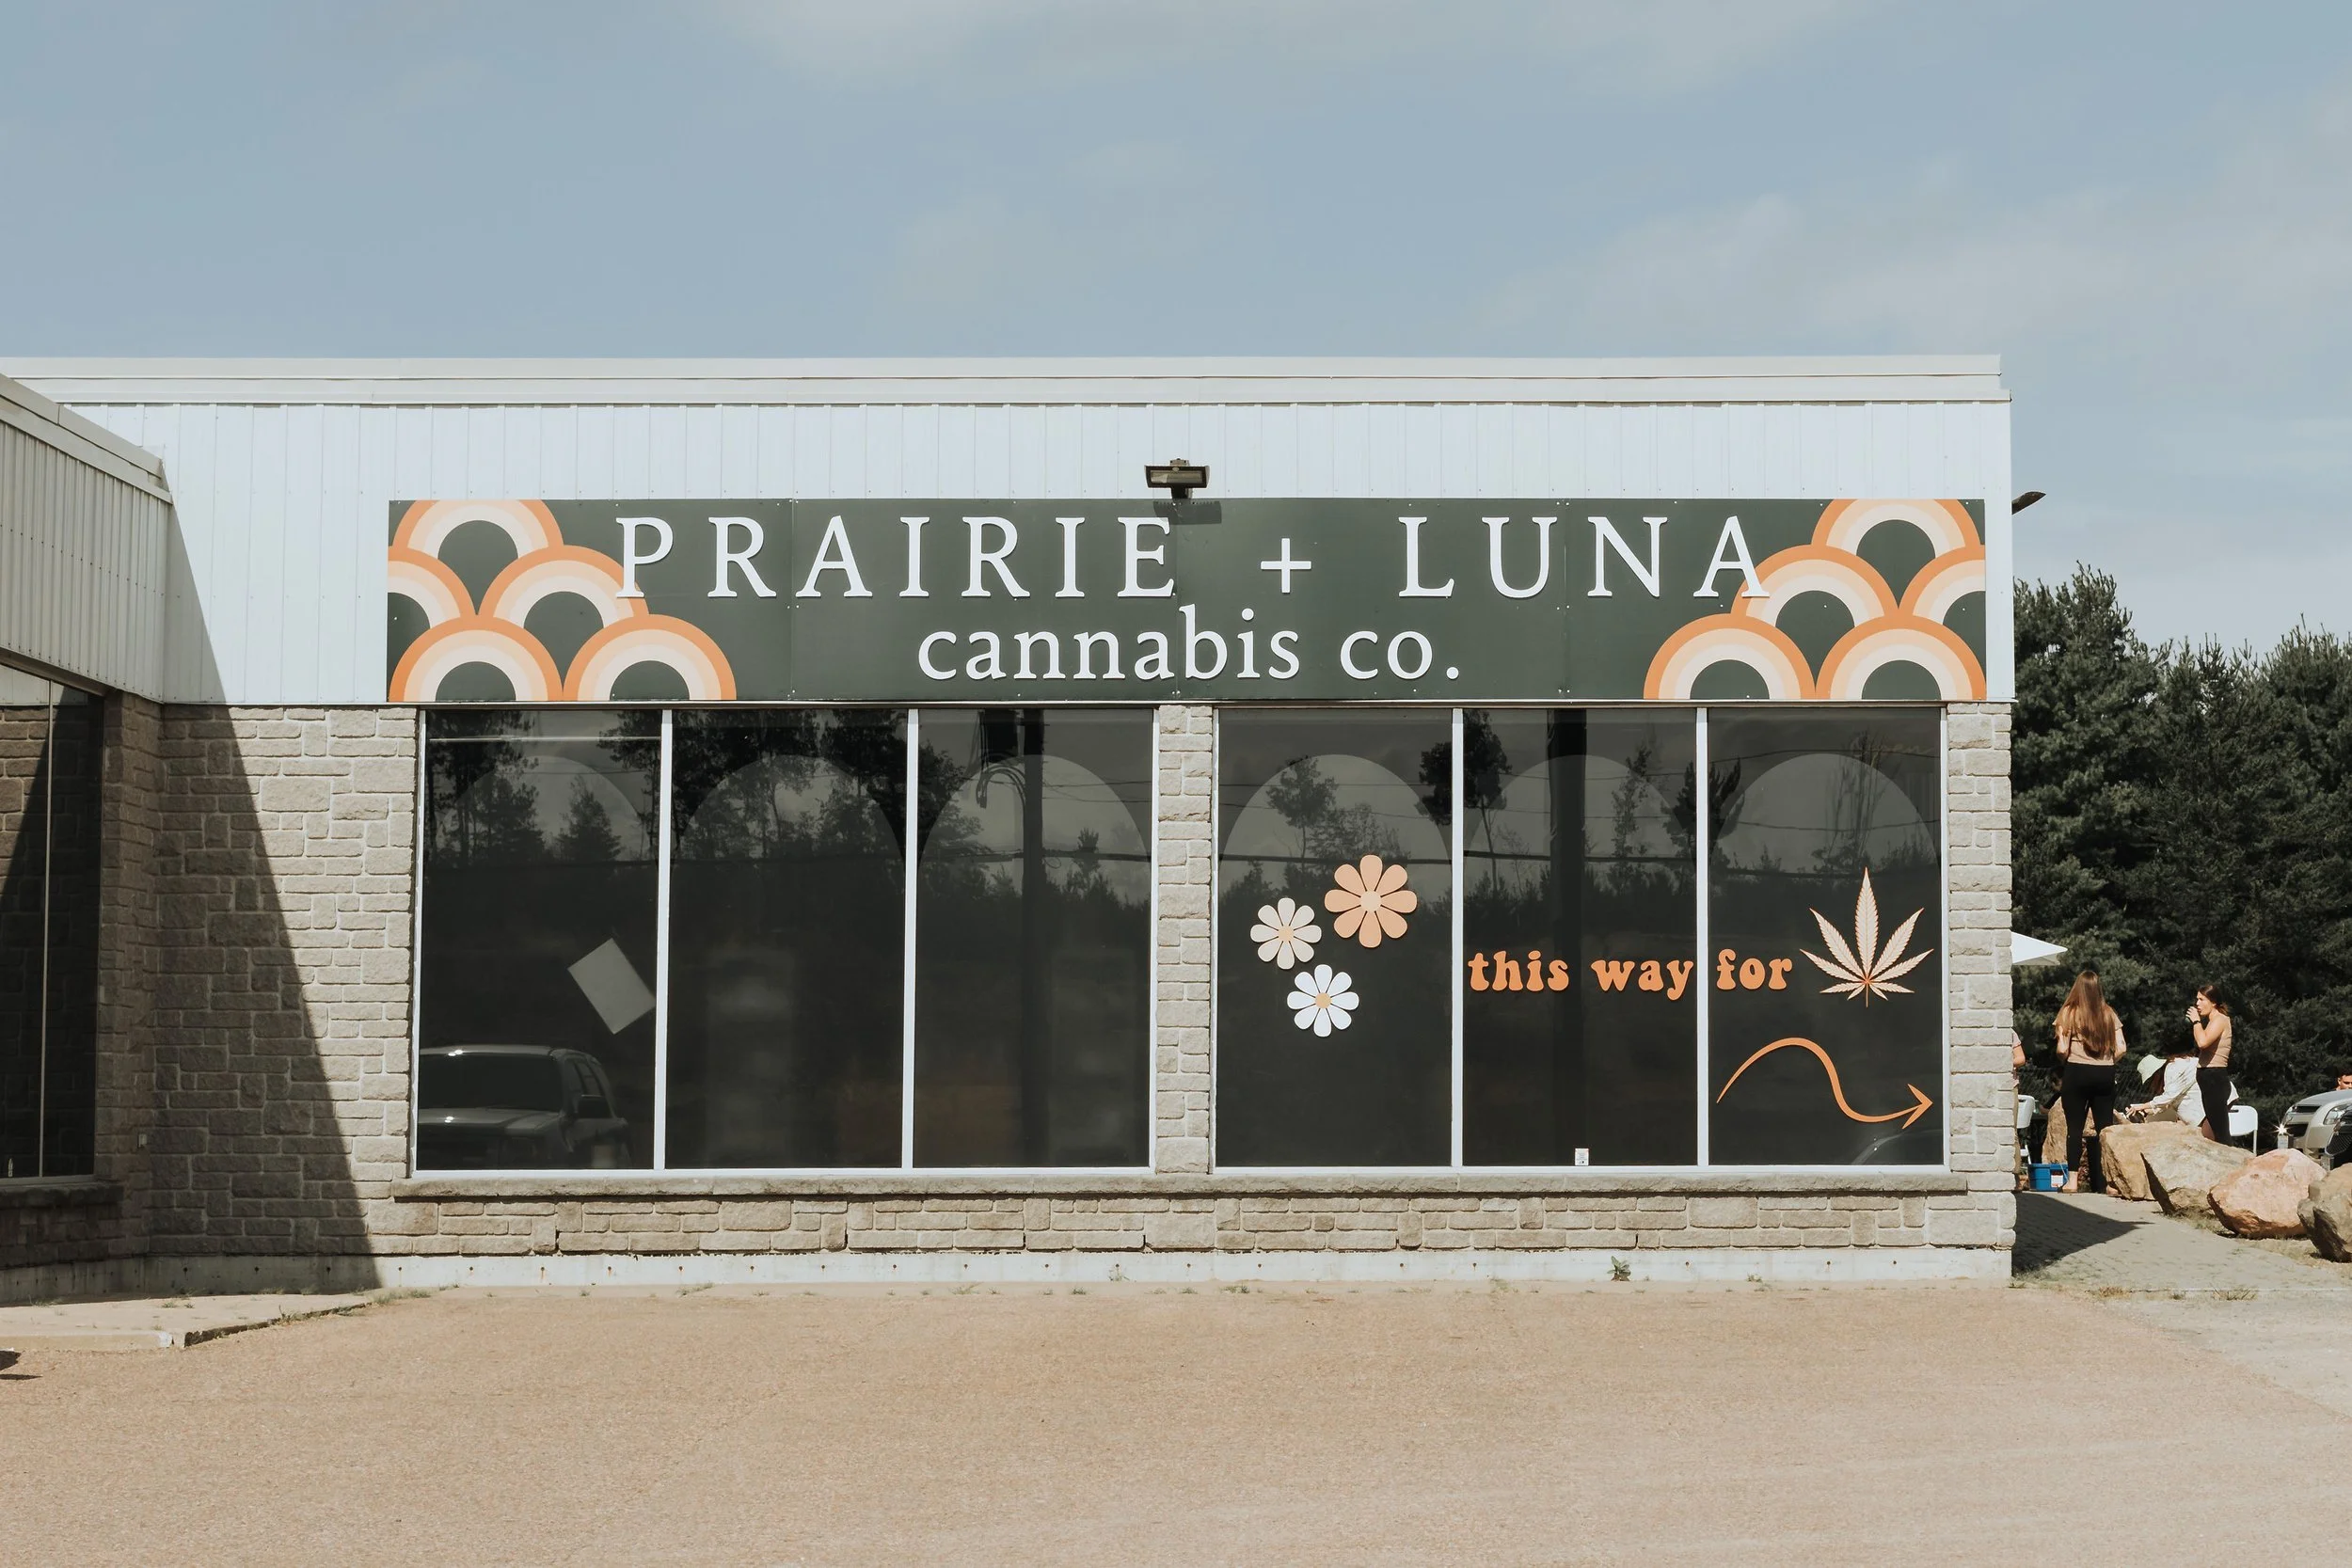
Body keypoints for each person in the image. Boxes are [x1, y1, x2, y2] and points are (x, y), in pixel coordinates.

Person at [2056, 969, 2127, 1193]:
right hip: (2104, 1073)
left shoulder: (2068, 1013)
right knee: (2105, 1129)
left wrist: (2065, 1059)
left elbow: (2061, 1048)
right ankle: (2108, 1182)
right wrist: (2107, 1061)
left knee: (2074, 1128)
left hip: (2077, 1072)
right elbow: (2123, 1047)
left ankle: (2073, 1181)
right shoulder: (2109, 1013)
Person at [2122, 1035, 2205, 1128]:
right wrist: (2146, 1110)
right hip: (2201, 1117)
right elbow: (2168, 1103)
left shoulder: (2173, 1068)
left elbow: (2168, 1097)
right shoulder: (2183, 1064)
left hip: (2202, 1117)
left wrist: (2142, 1106)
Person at [2185, 986, 2234, 1143]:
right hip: (2208, 1077)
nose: (2197, 1004)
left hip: (2215, 1077)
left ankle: (2230, 1161)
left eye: (2201, 999)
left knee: (2220, 1130)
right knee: (2213, 1129)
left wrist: (2196, 1022)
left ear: (2213, 1002)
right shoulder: (2212, 1021)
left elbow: (2203, 1042)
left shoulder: (2220, 1019)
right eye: (2197, 999)